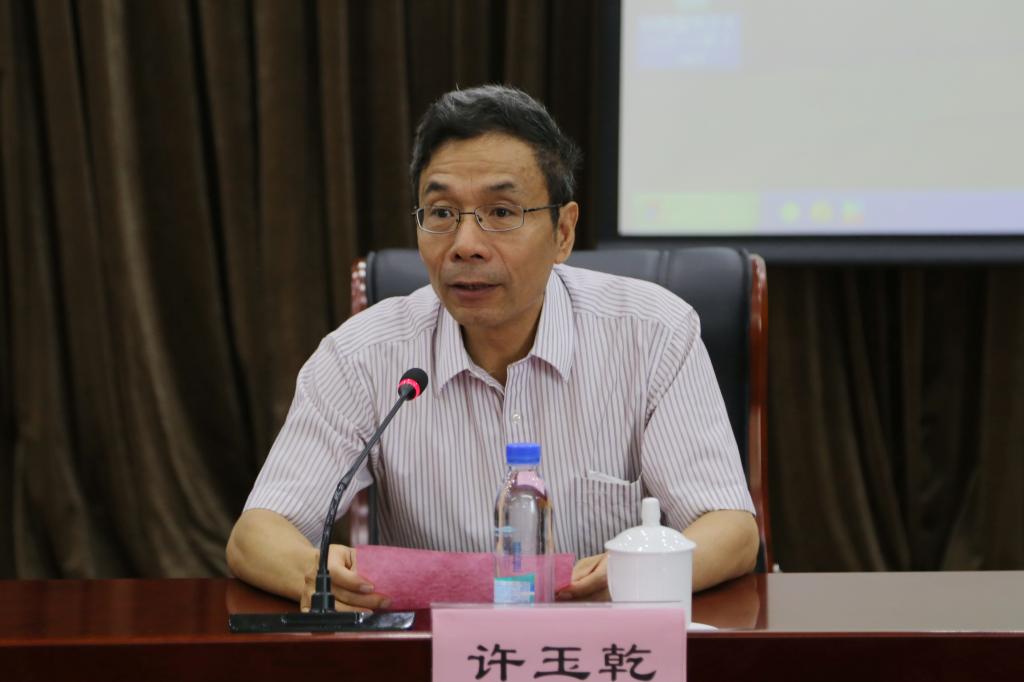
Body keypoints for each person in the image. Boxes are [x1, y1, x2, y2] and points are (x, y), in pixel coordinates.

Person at [226, 85, 758, 612]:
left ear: (563, 232)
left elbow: (730, 530)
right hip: (431, 650)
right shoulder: (362, 356)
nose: (465, 245)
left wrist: (633, 575)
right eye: (441, 213)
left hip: (603, 644)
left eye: (501, 212)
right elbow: (257, 534)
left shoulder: (653, 333)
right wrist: (315, 573)